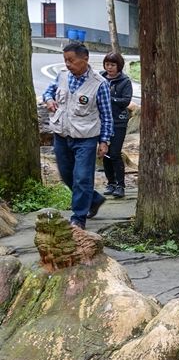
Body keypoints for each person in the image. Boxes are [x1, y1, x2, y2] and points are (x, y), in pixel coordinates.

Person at [42, 42, 113, 229]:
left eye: (71, 60)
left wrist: (104, 141)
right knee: (67, 175)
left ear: (85, 59)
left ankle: (78, 218)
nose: (67, 64)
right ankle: (94, 199)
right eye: (65, 60)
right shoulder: (62, 76)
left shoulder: (99, 84)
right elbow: (48, 91)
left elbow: (106, 115)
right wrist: (49, 99)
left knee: (82, 177)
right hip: (61, 135)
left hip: (86, 138)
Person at [100, 51, 132, 199]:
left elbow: (126, 101)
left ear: (119, 66)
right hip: (102, 121)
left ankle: (121, 185)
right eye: (107, 64)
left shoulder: (125, 81)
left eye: (113, 65)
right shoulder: (100, 78)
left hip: (118, 121)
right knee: (105, 153)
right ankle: (110, 182)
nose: (110, 68)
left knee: (115, 153)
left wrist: (109, 99)